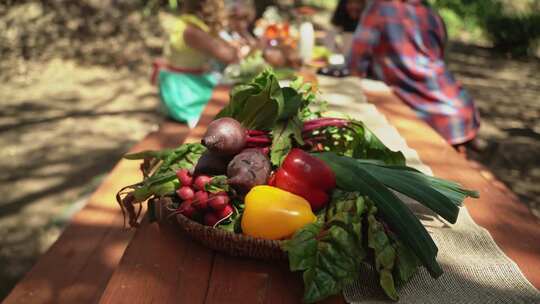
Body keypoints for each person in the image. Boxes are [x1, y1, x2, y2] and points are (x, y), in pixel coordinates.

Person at [347, 0, 481, 149]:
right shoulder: (432, 15)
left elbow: (355, 62)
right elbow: (439, 59)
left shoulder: (379, 8)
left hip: (431, 113)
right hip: (459, 105)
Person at [153, 0, 239, 127]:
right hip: (186, 93)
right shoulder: (192, 31)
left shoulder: (184, 24)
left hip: (185, 84)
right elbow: (229, 56)